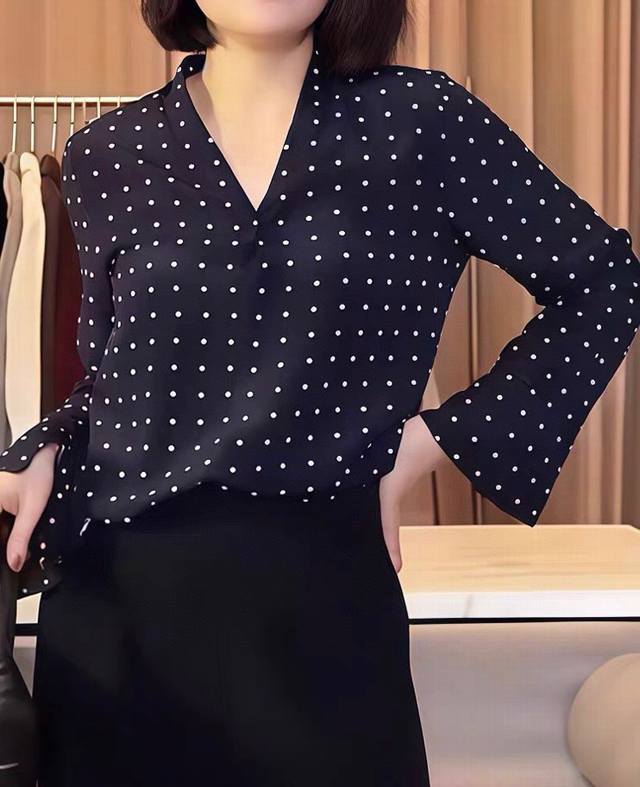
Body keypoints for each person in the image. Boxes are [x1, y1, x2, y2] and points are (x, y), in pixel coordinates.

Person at [1, 1, 639, 785]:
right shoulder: (108, 153)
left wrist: (434, 441)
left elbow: (605, 283)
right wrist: (45, 444)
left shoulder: (421, 123)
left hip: (325, 613)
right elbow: (112, 377)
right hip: (122, 615)